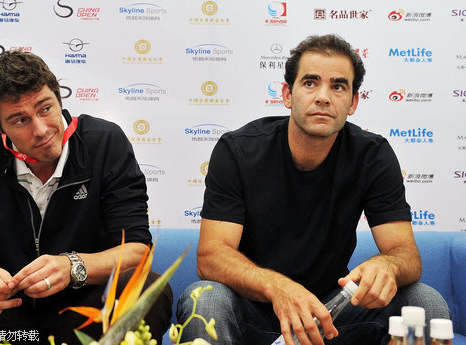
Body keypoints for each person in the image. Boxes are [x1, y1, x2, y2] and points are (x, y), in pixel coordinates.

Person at [177, 34, 450, 345]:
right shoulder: (238, 150)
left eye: (337, 86)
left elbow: (407, 255)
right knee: (206, 297)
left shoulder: (372, 154)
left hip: (332, 313)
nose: (323, 96)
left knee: (423, 300)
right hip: (253, 308)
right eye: (310, 83)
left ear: (353, 102)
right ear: (287, 94)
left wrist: (388, 264)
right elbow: (211, 257)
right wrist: (278, 287)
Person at [0, 51, 172, 344]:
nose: (41, 130)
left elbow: (136, 252)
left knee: (146, 289)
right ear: (0, 127)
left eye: (45, 108)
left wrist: (73, 266)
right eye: (20, 120)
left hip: (83, 319)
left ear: (59, 99)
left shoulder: (105, 142)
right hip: (2, 320)